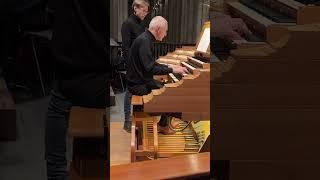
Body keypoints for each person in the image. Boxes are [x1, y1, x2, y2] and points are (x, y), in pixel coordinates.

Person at [45, 0, 109, 179]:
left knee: (57, 102)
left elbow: (51, 13)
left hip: (67, 75)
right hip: (96, 81)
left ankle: (56, 171)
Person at [126, 16, 189, 135]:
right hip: (138, 85)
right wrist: (171, 69)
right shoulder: (145, 41)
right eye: (165, 31)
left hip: (139, 81)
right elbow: (150, 68)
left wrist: (172, 68)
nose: (165, 34)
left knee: (166, 89)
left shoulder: (145, 38)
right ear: (159, 29)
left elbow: (151, 64)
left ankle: (164, 123)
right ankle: (163, 125)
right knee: (169, 94)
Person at [121, 0, 150, 133]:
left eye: (146, 10)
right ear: (135, 8)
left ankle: (138, 120)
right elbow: (126, 48)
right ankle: (127, 121)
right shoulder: (127, 24)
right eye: (144, 10)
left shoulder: (142, 24)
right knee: (129, 91)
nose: (146, 13)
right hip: (133, 65)